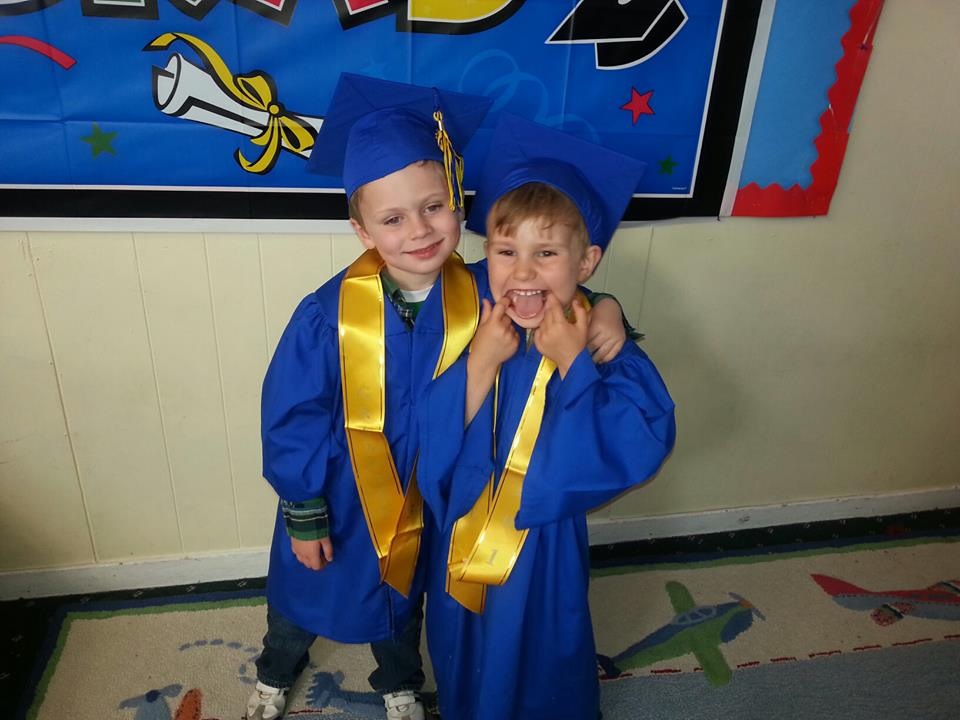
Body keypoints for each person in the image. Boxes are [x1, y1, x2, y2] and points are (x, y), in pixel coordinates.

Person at [247, 75, 631, 720]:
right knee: (305, 595)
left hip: (436, 492)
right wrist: (303, 508)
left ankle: (399, 682)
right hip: (345, 493)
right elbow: (292, 416)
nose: (419, 230)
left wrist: (608, 306)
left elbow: (552, 287)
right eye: (393, 219)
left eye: (434, 207)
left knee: (406, 597)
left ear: (458, 202)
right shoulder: (326, 313)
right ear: (362, 230)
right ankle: (274, 670)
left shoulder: (486, 287)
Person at [416, 114, 677, 720]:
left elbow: (639, 436)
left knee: (542, 640)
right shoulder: (465, 316)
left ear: (586, 261)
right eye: (506, 251)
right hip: (462, 523)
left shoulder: (595, 341)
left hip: (543, 536)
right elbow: (420, 421)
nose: (524, 271)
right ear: (486, 255)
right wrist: (481, 362)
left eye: (547, 253)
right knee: (461, 641)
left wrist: (573, 363)